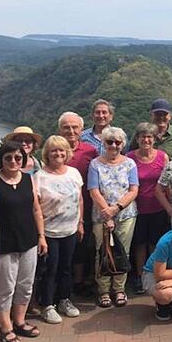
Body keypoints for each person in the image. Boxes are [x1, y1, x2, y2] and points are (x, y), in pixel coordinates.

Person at [0, 140, 48, 342]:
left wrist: (41, 236)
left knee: (25, 285)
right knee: (4, 287)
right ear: (1, 159)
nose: (14, 161)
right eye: (8, 158)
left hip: (28, 241)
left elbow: (36, 209)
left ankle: (19, 321)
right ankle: (5, 327)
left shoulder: (28, 179)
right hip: (3, 244)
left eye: (18, 157)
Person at [34, 136, 84, 324]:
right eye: (54, 150)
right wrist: (40, 236)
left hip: (70, 230)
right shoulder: (40, 176)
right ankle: (48, 304)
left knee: (66, 267)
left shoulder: (74, 173)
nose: (58, 154)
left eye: (62, 150)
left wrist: (80, 223)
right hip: (49, 232)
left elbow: (79, 200)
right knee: (50, 269)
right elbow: (36, 207)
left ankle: (64, 299)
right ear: (47, 153)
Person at [88, 127, 139, 308]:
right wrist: (106, 212)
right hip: (101, 216)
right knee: (101, 253)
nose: (114, 145)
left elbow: (134, 190)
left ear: (122, 144)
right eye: (110, 142)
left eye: (117, 142)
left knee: (121, 252)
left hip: (126, 215)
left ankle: (119, 289)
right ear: (104, 143)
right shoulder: (95, 164)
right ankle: (103, 290)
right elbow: (93, 190)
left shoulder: (130, 164)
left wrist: (116, 208)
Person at [57, 112, 98, 298]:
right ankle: (60, 284)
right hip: (58, 211)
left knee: (81, 246)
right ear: (60, 129)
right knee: (61, 248)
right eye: (66, 127)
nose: (71, 131)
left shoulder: (90, 151)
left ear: (82, 130)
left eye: (75, 127)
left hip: (86, 207)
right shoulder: (55, 149)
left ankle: (78, 282)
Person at [126, 123, 169, 295]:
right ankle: (139, 276)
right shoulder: (130, 158)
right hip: (137, 209)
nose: (146, 140)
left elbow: (168, 183)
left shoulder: (162, 157)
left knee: (156, 244)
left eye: (149, 136)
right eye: (142, 136)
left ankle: (153, 274)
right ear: (137, 139)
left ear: (154, 139)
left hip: (159, 208)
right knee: (139, 245)